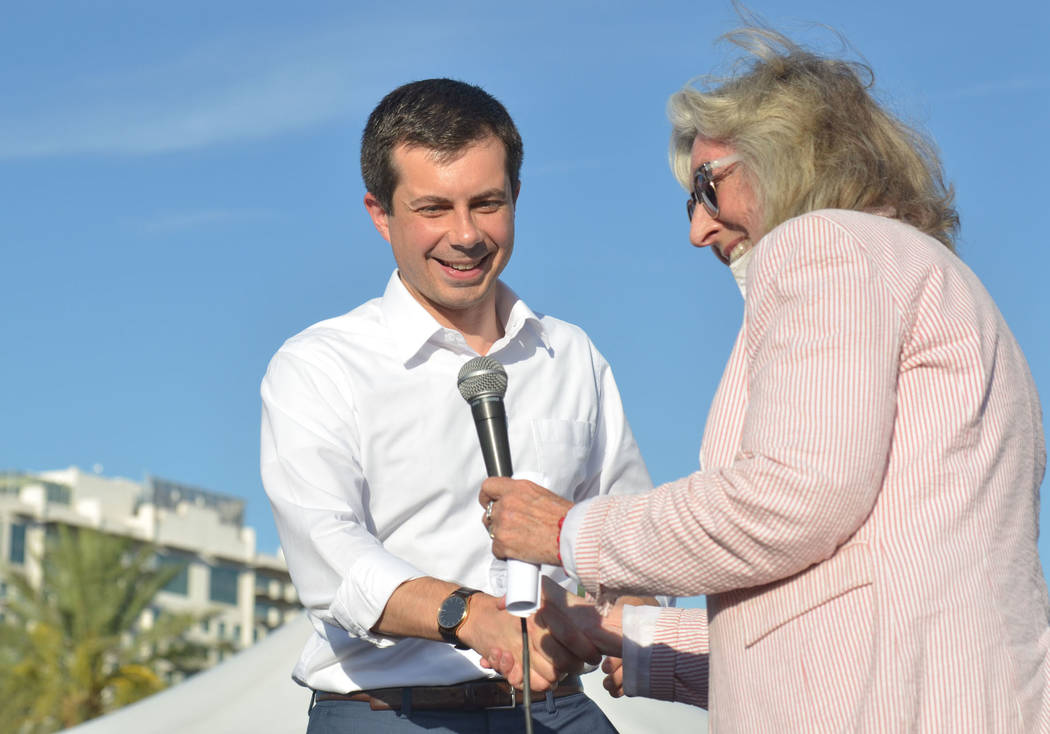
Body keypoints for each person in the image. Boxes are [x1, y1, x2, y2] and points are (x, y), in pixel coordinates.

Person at [480, 26, 1050, 733]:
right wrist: (632, 640)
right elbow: (847, 597)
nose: (696, 229)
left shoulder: (823, 245)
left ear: (785, 153)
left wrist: (571, 530)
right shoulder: (939, 281)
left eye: (705, 185)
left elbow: (791, 497)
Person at [260, 78, 655, 733]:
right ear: (379, 213)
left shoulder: (571, 355)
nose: (466, 234)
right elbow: (331, 559)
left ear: (517, 198)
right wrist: (470, 616)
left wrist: (633, 610)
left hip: (557, 711)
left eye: (487, 203)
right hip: (389, 712)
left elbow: (628, 531)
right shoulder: (319, 365)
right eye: (434, 208)